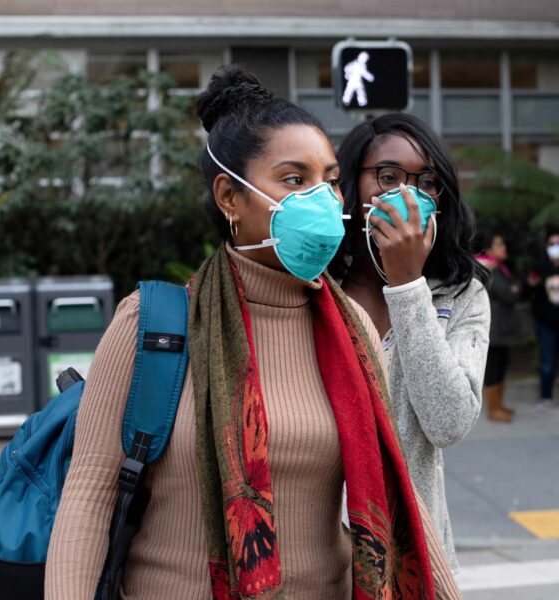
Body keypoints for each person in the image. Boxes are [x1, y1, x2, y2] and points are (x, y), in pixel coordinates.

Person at [45, 67, 460, 599]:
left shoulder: (350, 327)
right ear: (229, 197)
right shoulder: (151, 324)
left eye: (329, 180)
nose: (324, 201)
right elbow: (88, 496)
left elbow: (395, 485)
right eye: (294, 180)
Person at [329, 112, 490, 572]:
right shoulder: (318, 288)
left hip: (412, 557)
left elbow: (449, 422)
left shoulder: (462, 295)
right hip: (321, 558)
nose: (406, 193)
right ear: (352, 184)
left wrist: (406, 284)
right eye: (387, 176)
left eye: (427, 181)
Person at [475, 232, 520, 422]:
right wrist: (513, 290)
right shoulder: (488, 269)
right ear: (489, 249)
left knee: (501, 365)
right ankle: (493, 409)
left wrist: (513, 290)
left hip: (501, 326)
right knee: (494, 367)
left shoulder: (499, 268)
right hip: (493, 327)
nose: (504, 248)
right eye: (500, 245)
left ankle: (499, 404)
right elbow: (507, 295)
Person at [527, 231, 559, 407]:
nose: (556, 248)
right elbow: (528, 291)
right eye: (552, 244)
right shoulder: (539, 268)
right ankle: (546, 396)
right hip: (545, 323)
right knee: (547, 361)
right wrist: (531, 284)